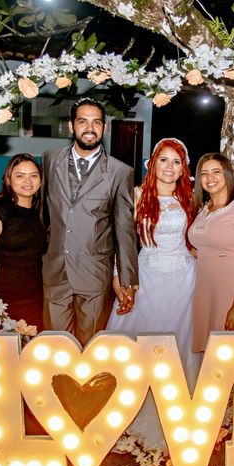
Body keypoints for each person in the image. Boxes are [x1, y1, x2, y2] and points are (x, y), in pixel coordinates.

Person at [107, 137, 202, 454]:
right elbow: (121, 243)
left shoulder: (188, 202)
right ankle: (129, 414)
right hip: (145, 280)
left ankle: (176, 416)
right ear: (153, 163)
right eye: (164, 160)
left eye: (177, 162)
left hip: (183, 282)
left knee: (177, 346)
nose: (170, 167)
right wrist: (119, 279)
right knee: (139, 345)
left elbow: (195, 242)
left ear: (183, 169)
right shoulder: (135, 196)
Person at [41, 97, 139, 345]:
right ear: (71, 126)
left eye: (96, 122)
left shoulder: (120, 171)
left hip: (94, 274)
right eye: (83, 121)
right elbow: (43, 213)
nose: (90, 128)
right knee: (55, 344)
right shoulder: (51, 160)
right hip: (56, 271)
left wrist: (127, 278)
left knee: (91, 345)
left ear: (104, 128)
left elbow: (124, 229)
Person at [188, 153, 234, 353]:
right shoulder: (204, 209)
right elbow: (200, 249)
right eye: (204, 174)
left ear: (227, 174)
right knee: (210, 362)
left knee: (233, 357)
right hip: (206, 291)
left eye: (215, 172)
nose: (209, 178)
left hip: (232, 291)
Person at [0, 153, 46, 332]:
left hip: (33, 300)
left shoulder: (39, 212)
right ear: (8, 180)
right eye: (20, 176)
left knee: (31, 356)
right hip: (1, 303)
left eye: (33, 175)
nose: (27, 181)